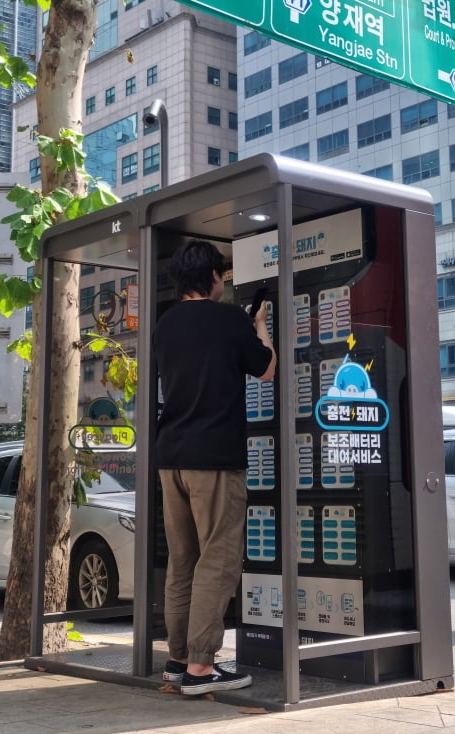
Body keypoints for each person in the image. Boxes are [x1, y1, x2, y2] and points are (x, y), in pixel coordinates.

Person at [153, 239, 276, 696]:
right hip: (215, 459)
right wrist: (260, 327)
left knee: (182, 561)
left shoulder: (164, 325)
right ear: (212, 277)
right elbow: (265, 368)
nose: (223, 282)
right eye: (222, 275)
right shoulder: (228, 320)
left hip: (172, 458)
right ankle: (202, 671)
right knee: (218, 559)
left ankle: (178, 660)